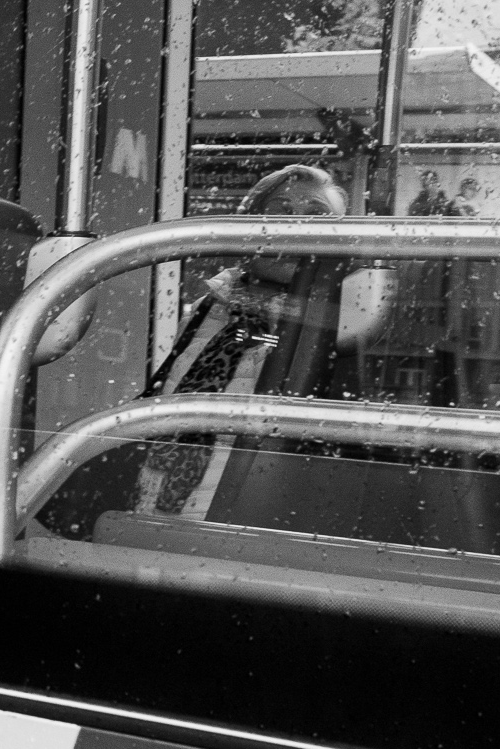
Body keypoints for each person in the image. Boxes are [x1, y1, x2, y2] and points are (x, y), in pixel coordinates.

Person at [131, 164, 349, 517]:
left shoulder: (339, 321)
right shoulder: (211, 304)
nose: (294, 226)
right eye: (281, 211)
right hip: (161, 492)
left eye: (315, 215)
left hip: (259, 501)